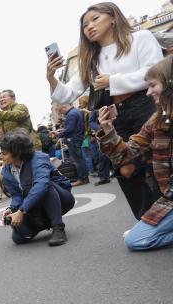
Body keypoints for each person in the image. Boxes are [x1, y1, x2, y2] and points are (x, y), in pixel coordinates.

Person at [47, 2, 162, 219]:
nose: (89, 26)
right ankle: (146, 220)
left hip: (145, 106)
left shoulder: (140, 38)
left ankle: (163, 217)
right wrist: (51, 77)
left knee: (157, 162)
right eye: (84, 25)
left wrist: (113, 80)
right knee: (125, 169)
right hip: (113, 115)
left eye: (95, 19)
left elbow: (154, 72)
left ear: (112, 17)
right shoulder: (89, 59)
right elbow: (66, 95)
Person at [97, 56, 173, 251]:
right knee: (135, 240)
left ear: (169, 83)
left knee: (136, 238)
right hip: (169, 198)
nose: (148, 93)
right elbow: (127, 156)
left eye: (152, 85)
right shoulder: (155, 121)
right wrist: (108, 131)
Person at [0, 129, 74, 246]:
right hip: (35, 206)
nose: (1, 157)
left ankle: (58, 226)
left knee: (44, 185)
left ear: (17, 152)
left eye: (4, 153)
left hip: (62, 199)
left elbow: (41, 185)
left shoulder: (38, 158)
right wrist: (12, 208)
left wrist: (21, 211)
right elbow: (17, 195)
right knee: (18, 238)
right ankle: (41, 224)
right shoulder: (6, 171)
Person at [55, 103, 89, 186]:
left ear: (64, 106)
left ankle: (83, 178)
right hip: (77, 138)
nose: (62, 113)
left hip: (73, 139)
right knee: (80, 159)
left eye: (61, 111)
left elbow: (70, 129)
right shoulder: (76, 112)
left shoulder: (71, 114)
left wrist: (59, 134)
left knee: (78, 160)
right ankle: (84, 178)